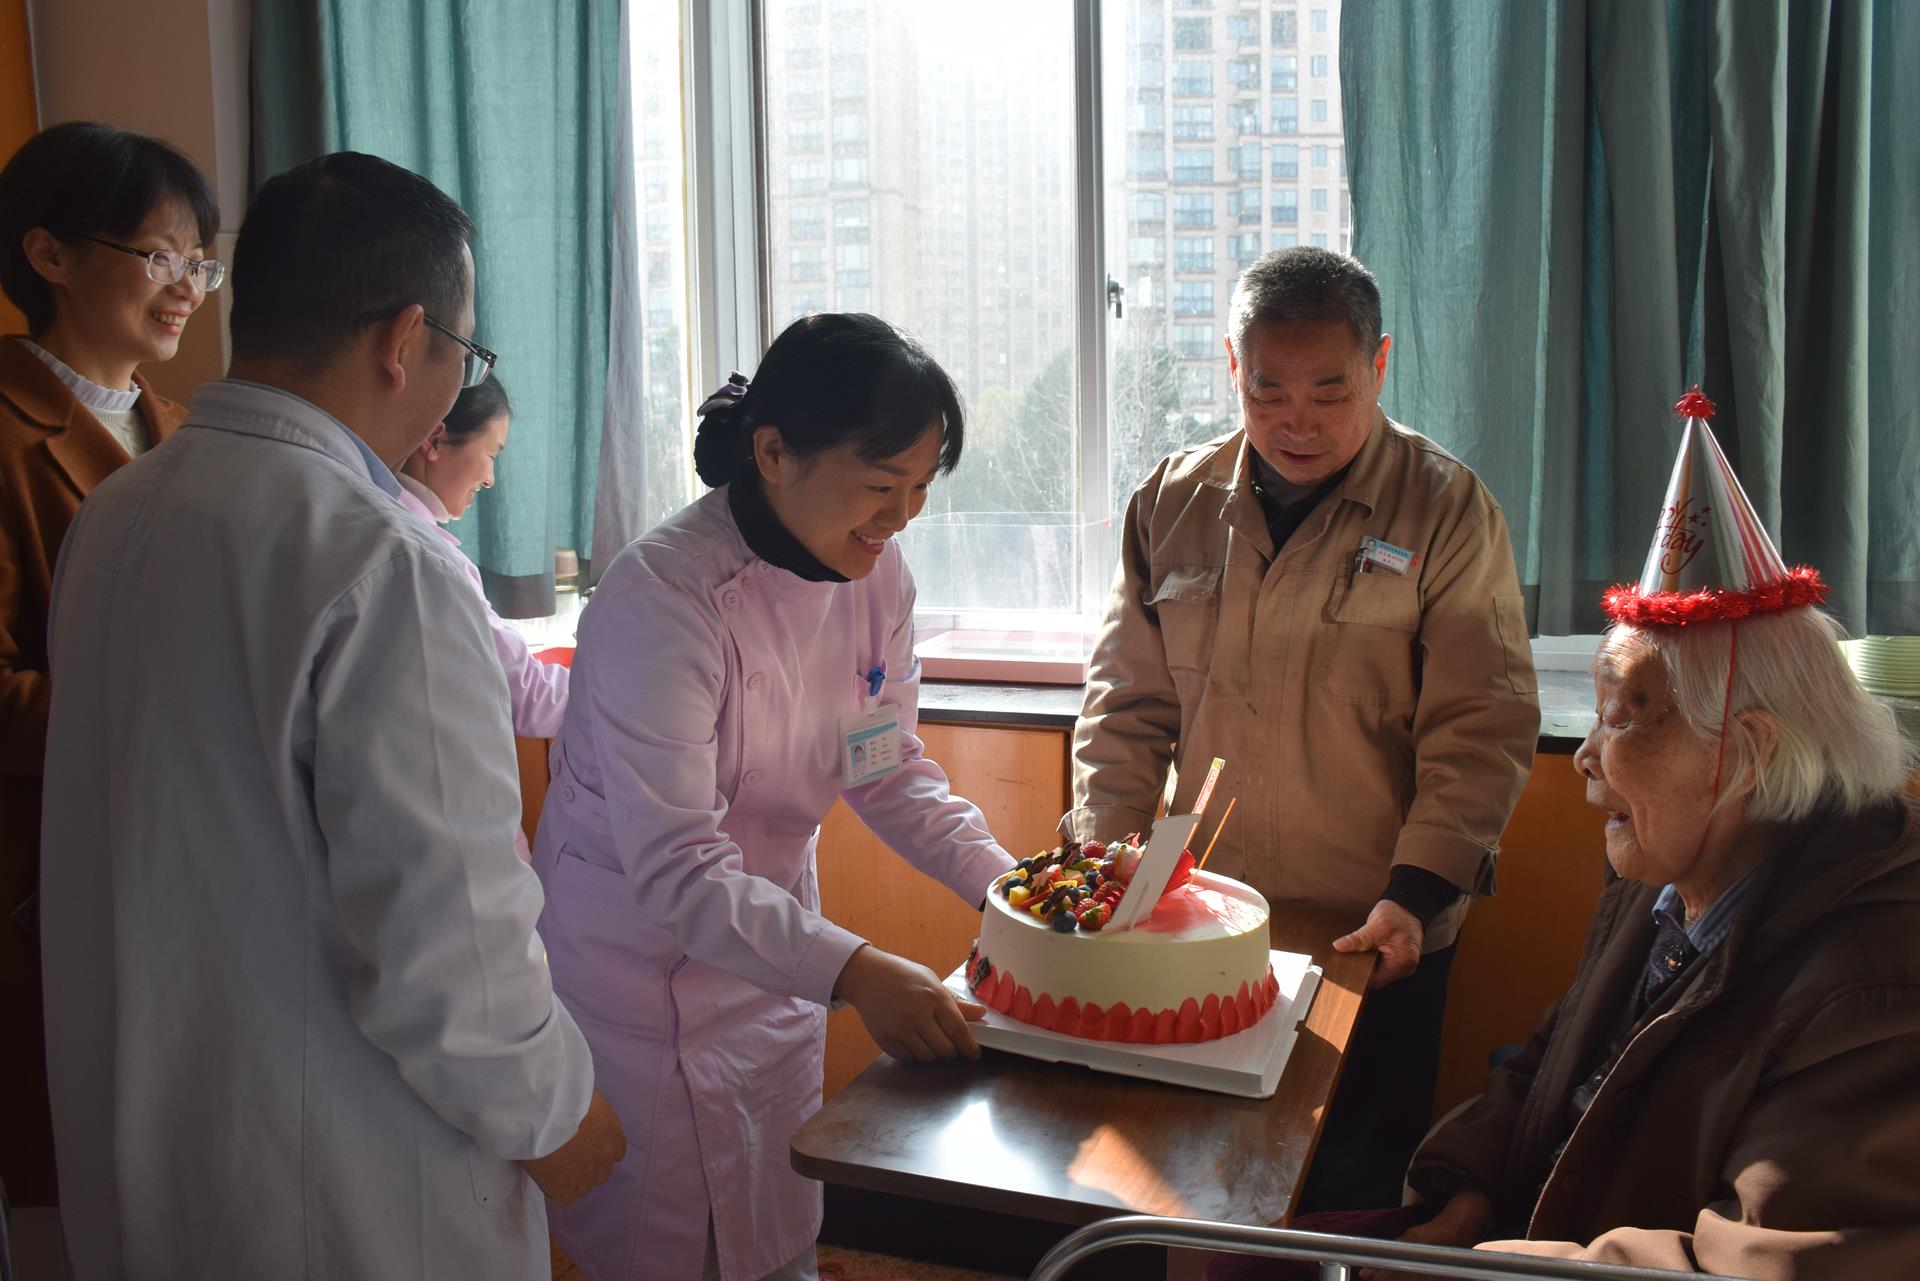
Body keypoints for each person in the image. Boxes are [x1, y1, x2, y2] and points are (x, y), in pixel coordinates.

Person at [39, 151, 623, 1279]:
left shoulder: (119, 511)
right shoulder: (379, 560)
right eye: (467, 351)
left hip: (159, 1137)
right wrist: (555, 1111)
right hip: (340, 1177)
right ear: (407, 341)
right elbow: (445, 933)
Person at [1212, 391, 1920, 1280]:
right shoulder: (1666, 874)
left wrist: (1501, 1264)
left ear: (1745, 756)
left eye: (1627, 714)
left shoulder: (1875, 989)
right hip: (1534, 1241)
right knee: (1236, 1257)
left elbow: (1763, 1266)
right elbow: (1553, 1058)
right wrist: (1470, 1196)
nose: (1585, 757)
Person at [534, 313, 1016, 1281]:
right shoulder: (659, 603)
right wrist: (860, 972)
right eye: (882, 485)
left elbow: (886, 766)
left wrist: (1015, 894)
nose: (902, 516)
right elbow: (678, 870)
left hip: (775, 974)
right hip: (638, 992)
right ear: (773, 453)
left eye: (922, 489)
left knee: (780, 1240)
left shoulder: (876, 581)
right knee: (664, 1254)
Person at [1068, 246, 1540, 1209]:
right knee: (1190, 1168)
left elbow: (1480, 722)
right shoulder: (1173, 501)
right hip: (1205, 919)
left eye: (1330, 390)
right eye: (1269, 389)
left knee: (1349, 1183)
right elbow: (1125, 708)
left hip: (1379, 926)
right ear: (1233, 369)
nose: (1297, 421)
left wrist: (1415, 893)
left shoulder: (1445, 507)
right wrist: (1105, 863)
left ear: (1380, 365)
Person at [0, 120, 219, 1213]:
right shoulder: (4, 432)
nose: (187, 287)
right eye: (158, 256)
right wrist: (163, 729)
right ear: (48, 254)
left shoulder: (181, 431)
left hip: (176, 850)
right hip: (48, 861)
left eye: (199, 261)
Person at [396, 373, 567, 858]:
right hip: (457, 835)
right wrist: (632, 694)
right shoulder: (429, 560)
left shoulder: (403, 534)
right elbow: (528, 695)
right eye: (491, 453)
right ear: (435, 439)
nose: (490, 478)